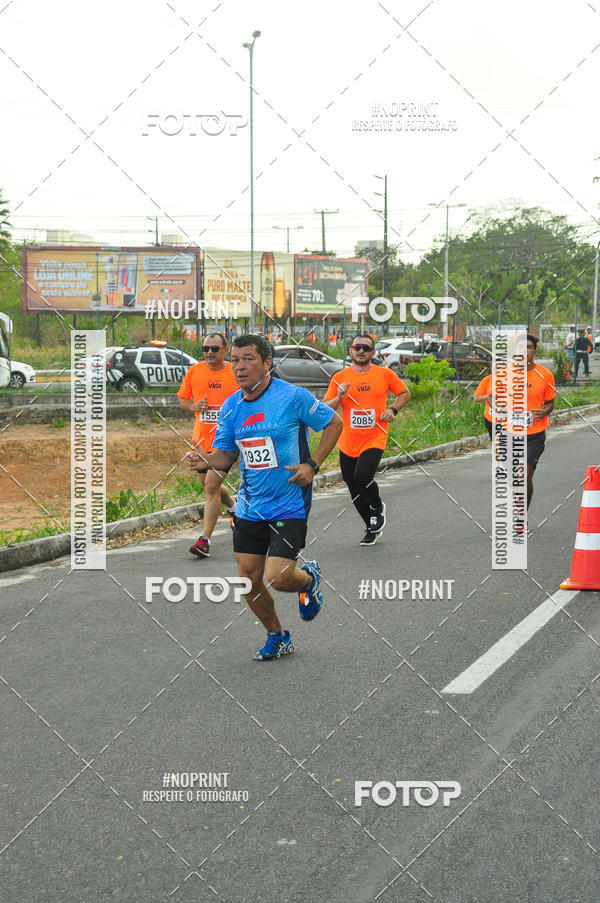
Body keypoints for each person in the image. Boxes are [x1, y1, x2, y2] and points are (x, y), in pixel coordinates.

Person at [189, 334, 343, 661]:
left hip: (289, 501)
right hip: (250, 505)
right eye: (235, 360)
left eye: (248, 359)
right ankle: (276, 634)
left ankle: (307, 580)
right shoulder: (231, 406)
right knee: (248, 579)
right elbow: (225, 457)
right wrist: (207, 461)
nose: (240, 367)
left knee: (279, 576)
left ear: (267, 363)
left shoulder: (292, 397)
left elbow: (334, 422)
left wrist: (313, 464)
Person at [324, 334, 410, 545]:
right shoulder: (339, 377)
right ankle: (371, 526)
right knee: (353, 486)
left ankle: (377, 506)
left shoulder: (385, 374)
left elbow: (404, 393)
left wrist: (393, 409)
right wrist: (339, 397)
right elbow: (326, 407)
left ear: (372, 353)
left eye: (366, 348)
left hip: (375, 436)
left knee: (362, 476)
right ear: (351, 351)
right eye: (357, 347)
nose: (361, 351)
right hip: (347, 439)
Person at [474, 334, 556, 526]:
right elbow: (489, 397)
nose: (523, 351)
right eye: (519, 348)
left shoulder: (545, 375)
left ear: (535, 351)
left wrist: (544, 410)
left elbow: (550, 402)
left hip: (535, 433)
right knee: (514, 478)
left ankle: (520, 517)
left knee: (524, 474)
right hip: (509, 433)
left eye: (527, 347)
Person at [177, 333, 239, 558]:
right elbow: (182, 400)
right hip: (201, 442)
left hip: (227, 442)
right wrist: (194, 405)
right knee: (208, 485)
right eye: (205, 349)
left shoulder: (235, 370)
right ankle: (234, 507)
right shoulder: (194, 371)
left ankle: (205, 540)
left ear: (225, 350)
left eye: (214, 348)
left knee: (212, 486)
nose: (209, 353)